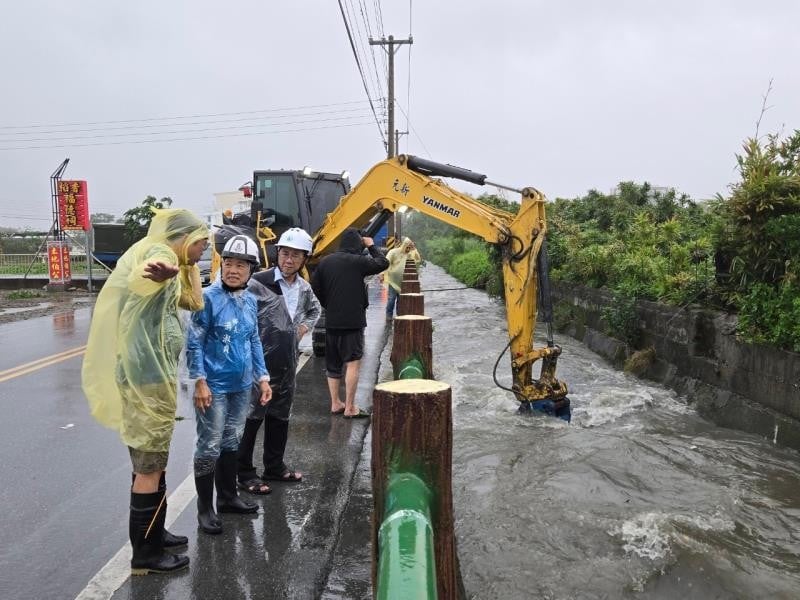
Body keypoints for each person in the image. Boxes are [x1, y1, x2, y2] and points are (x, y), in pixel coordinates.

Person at [82, 208, 209, 576]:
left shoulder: (172, 257)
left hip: (151, 377)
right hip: (145, 380)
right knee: (149, 465)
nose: (203, 252)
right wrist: (166, 270)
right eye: (201, 244)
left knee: (154, 461)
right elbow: (144, 275)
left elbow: (193, 302)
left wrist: (184, 270)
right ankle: (146, 555)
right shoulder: (159, 253)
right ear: (184, 237)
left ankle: (155, 535)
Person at [186, 235, 272, 535]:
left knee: (231, 441)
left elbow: (253, 340)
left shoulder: (250, 299)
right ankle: (205, 509)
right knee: (209, 444)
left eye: (241, 265)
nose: (233, 270)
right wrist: (199, 381)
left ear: (251, 271)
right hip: (214, 387)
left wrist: (263, 378)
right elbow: (194, 342)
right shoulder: (207, 298)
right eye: (229, 264)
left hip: (241, 385)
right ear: (221, 266)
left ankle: (228, 497)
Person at [237, 227, 321, 491]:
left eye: (296, 255)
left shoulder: (304, 288)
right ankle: (245, 473)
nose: (289, 260)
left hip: (287, 364)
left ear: (304, 258)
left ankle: (274, 467)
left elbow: (314, 310)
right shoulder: (258, 282)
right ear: (278, 254)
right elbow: (239, 314)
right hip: (257, 363)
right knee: (252, 418)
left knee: (280, 416)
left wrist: (302, 329)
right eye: (285, 253)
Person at [311, 228, 389, 418]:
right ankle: (350, 407)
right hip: (353, 322)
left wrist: (327, 303)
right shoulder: (358, 261)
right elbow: (383, 263)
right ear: (357, 245)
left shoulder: (325, 262)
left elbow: (315, 286)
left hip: (332, 321)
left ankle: (335, 403)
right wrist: (371, 246)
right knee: (353, 364)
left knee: (333, 365)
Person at [383, 237, 422, 319]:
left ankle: (399, 316)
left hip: (403, 282)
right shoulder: (393, 252)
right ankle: (388, 315)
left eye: (409, 247)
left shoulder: (410, 254)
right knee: (391, 299)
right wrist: (382, 274)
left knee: (401, 300)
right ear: (404, 245)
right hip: (393, 281)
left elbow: (418, 261)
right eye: (407, 247)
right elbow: (386, 262)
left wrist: (414, 249)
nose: (408, 249)